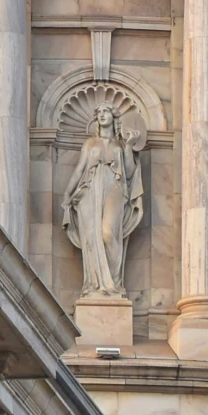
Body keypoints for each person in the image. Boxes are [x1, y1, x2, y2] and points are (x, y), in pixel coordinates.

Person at [61, 104, 144, 296]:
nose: (102, 115)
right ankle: (94, 284)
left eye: (105, 111)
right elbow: (80, 170)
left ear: (114, 117)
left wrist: (130, 146)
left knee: (107, 233)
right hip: (90, 190)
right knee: (92, 237)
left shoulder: (121, 144)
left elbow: (130, 173)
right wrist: (67, 193)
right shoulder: (89, 144)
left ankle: (113, 283)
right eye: (98, 112)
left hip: (115, 188)